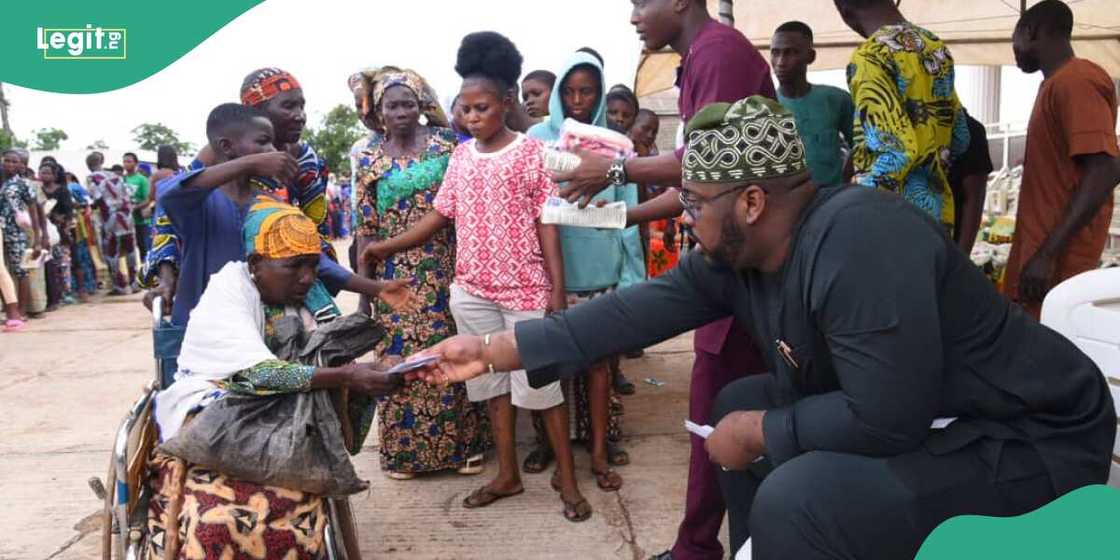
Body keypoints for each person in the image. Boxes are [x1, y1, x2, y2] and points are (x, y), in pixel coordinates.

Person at [410, 96, 1116, 560]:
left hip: (1028, 439)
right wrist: (492, 349)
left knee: (797, 494)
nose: (683, 217)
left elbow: (887, 418)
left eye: (693, 201)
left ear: (751, 201)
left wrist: (762, 433)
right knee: (737, 399)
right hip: (938, 411)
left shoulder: (860, 241)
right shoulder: (738, 257)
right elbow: (630, 312)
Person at [555, 3, 777, 557]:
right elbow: (695, 183)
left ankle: (700, 548)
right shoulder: (702, 56)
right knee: (714, 417)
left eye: (640, 2)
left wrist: (615, 169)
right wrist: (619, 216)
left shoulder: (719, 53)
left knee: (715, 418)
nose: (633, 16)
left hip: (742, 267)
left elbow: (708, 159)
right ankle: (700, 544)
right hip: (731, 262)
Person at [361, 31, 591, 523]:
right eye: (464, 109)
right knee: (491, 390)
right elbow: (439, 214)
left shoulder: (530, 153)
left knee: (543, 391)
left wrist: (555, 289)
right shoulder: (461, 156)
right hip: (472, 292)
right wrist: (385, 245)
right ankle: (507, 474)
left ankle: (569, 483)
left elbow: (548, 223)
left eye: (481, 108)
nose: (471, 118)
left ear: (506, 102)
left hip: (525, 294)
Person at [147, 200, 401, 559]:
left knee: (290, 511)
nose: (307, 277)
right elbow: (254, 376)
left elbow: (335, 365)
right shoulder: (228, 292)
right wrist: (345, 375)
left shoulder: (311, 301)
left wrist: (379, 371)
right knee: (212, 524)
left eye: (312, 265)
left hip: (289, 426)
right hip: (216, 421)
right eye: (294, 266)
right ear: (255, 264)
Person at [155, 103, 415, 328]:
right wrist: (249, 163)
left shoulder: (271, 205)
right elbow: (167, 194)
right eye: (262, 142)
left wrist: (377, 288)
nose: (272, 149)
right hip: (201, 329)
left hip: (256, 331)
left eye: (272, 142)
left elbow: (317, 263)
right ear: (227, 146)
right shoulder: (197, 203)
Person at [350, 67, 487, 481]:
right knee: (400, 361)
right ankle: (405, 455)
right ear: (380, 112)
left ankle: (464, 448)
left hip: (447, 265)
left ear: (421, 105)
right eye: (392, 106)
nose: (401, 112)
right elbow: (366, 229)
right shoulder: (367, 156)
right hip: (393, 277)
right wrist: (365, 296)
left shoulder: (447, 143)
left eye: (408, 104)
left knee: (453, 352)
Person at [524, 50, 642, 489]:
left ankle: (598, 452)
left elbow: (629, 215)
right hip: (550, 273)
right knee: (550, 367)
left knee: (599, 368)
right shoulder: (537, 139)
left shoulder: (616, 142)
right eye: (570, 91)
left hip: (600, 270)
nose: (577, 100)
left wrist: (632, 280)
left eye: (587, 91)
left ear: (599, 93)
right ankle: (550, 448)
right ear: (558, 93)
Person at [143, 67, 338, 309]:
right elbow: (170, 212)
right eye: (288, 106)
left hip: (285, 277)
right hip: (225, 273)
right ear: (255, 110)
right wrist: (166, 277)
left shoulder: (307, 160)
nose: (300, 116)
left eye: (301, 106)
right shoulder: (216, 155)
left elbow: (315, 228)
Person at [1003, 0, 1120, 318]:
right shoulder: (1055, 85)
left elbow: (1105, 169)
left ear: (1030, 32)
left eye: (1014, 40)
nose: (1014, 51)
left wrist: (1048, 254)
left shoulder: (1076, 81)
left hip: (1057, 267)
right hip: (1039, 256)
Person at [834, 0, 970, 233]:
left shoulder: (870, 57)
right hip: (938, 215)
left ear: (845, 13)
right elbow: (961, 137)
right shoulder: (933, 45)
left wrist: (854, 205)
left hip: (891, 221)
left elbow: (897, 153)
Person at [771, 21, 855, 187]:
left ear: (810, 56)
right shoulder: (765, 106)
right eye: (775, 53)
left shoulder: (836, 99)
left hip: (831, 196)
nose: (780, 62)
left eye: (790, 53)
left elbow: (862, 143)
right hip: (786, 199)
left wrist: (844, 179)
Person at [2, 149, 50, 318]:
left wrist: (39, 238)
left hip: (16, 232)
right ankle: (9, 310)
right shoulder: (2, 183)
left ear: (21, 165)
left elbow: (35, 212)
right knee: (2, 271)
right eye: (7, 160)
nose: (10, 164)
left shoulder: (23, 185)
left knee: (20, 270)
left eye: (14, 162)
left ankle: (21, 311)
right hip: (1, 231)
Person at [86, 151, 137, 295]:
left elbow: (96, 199)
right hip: (126, 216)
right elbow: (127, 194)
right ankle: (134, 283)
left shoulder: (92, 178)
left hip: (110, 217)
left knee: (111, 251)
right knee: (130, 249)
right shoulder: (115, 175)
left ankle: (119, 285)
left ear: (89, 165)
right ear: (101, 162)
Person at [949, 112, 994, 255]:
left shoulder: (969, 130)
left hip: (946, 247)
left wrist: (961, 258)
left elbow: (974, 200)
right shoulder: (905, 125)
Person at [38, 161, 75, 310]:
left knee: (62, 263)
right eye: (42, 172)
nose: (44, 175)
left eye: (48, 173)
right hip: (43, 229)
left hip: (59, 230)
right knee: (48, 263)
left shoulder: (62, 191)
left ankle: (65, 292)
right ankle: (51, 294)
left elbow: (69, 212)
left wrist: (64, 225)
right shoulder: (37, 190)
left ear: (54, 175)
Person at [65, 172, 98, 301]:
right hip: (79, 224)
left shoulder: (72, 187)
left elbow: (87, 202)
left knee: (76, 257)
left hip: (77, 225)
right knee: (82, 256)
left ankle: (79, 287)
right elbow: (89, 202)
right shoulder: (75, 187)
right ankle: (88, 285)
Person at [123, 152, 153, 264]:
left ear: (136, 163)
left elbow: (148, 199)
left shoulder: (142, 180)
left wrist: (134, 207)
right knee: (128, 249)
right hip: (126, 221)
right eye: (124, 161)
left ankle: (145, 270)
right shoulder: (122, 179)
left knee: (143, 248)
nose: (126, 164)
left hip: (140, 221)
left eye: (129, 161)